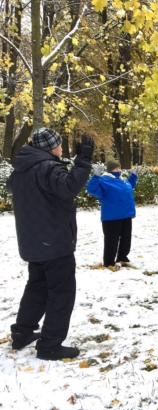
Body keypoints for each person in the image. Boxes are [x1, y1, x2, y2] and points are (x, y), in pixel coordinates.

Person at [7, 128, 94, 360]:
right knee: (61, 293)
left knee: (37, 287)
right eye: (60, 145)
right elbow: (69, 187)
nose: (62, 149)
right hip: (54, 242)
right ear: (50, 147)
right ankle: (50, 345)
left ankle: (22, 333)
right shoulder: (48, 167)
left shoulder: (22, 168)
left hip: (32, 241)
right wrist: (83, 161)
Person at [86, 160, 140, 267]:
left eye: (119, 168)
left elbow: (130, 185)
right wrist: (96, 175)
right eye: (116, 168)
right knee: (112, 240)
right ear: (110, 169)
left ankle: (122, 258)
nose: (118, 170)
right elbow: (91, 189)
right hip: (112, 216)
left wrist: (134, 175)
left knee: (126, 239)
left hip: (126, 214)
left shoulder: (121, 180)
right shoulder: (104, 180)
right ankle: (109, 262)